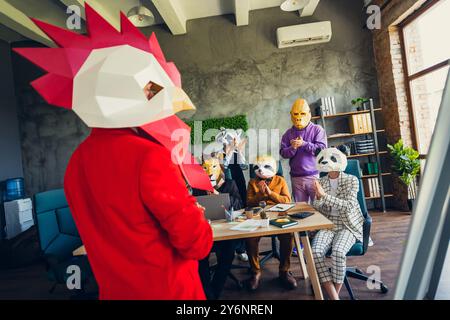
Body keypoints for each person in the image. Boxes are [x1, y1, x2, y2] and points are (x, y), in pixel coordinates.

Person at [16, 5, 214, 299]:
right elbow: (196, 244)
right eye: (151, 89)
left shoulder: (76, 164)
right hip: (168, 291)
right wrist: (197, 218)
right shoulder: (148, 157)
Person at [311, 147, 364, 300]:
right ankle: (334, 296)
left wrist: (324, 196)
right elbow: (316, 206)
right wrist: (319, 197)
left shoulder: (351, 180)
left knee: (338, 253)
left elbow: (348, 205)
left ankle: (333, 296)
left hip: (347, 226)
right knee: (315, 252)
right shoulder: (320, 181)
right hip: (328, 225)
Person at [193, 156, 243, 300]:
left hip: (227, 231)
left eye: (213, 167)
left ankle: (214, 292)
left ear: (220, 169)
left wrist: (218, 195)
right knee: (201, 258)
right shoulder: (197, 189)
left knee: (228, 253)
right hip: (207, 231)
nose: (209, 172)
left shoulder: (229, 184)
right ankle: (207, 293)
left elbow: (240, 205)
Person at [244, 155, 298, 291]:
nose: (261, 171)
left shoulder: (280, 180)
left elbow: (287, 200)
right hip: (258, 217)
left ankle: (284, 271)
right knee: (250, 238)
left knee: (288, 234)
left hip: (278, 215)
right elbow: (249, 202)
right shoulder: (252, 182)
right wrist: (260, 195)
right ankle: (255, 272)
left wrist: (270, 193)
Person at [280, 98, 327, 203]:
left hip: (313, 176)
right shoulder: (288, 134)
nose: (299, 118)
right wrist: (293, 148)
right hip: (296, 178)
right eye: (296, 114)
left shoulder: (317, 130)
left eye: (302, 113)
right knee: (300, 209)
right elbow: (283, 153)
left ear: (309, 113)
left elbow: (322, 150)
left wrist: (304, 144)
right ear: (291, 114)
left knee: (318, 207)